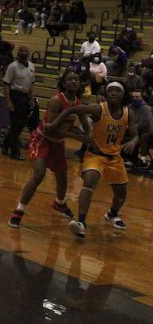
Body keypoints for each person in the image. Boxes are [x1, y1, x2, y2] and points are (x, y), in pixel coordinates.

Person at [44, 82, 138, 238]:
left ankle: (112, 214)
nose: (113, 93)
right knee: (89, 181)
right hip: (95, 155)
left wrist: (133, 141)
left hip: (115, 158)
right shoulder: (99, 109)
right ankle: (81, 222)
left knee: (121, 194)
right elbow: (73, 109)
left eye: (117, 91)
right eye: (110, 91)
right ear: (106, 95)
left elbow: (135, 134)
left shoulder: (129, 113)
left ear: (123, 95)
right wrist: (54, 123)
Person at [9, 70, 90, 228]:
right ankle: (19, 210)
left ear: (80, 83)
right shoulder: (56, 100)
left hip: (58, 143)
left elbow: (85, 124)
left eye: (76, 79)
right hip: (42, 139)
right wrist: (80, 138)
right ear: (64, 83)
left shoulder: (78, 104)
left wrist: (90, 135)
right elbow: (50, 129)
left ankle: (60, 203)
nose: (73, 81)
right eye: (70, 79)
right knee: (39, 175)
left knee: (62, 178)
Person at [1, 45, 36, 160]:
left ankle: (5, 143)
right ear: (18, 52)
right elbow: (6, 84)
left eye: (26, 50)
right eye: (22, 50)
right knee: (15, 125)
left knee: (21, 124)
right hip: (15, 96)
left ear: (29, 52)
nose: (24, 52)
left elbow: (31, 84)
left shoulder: (32, 66)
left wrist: (31, 99)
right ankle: (15, 152)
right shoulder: (12, 66)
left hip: (25, 98)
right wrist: (9, 101)